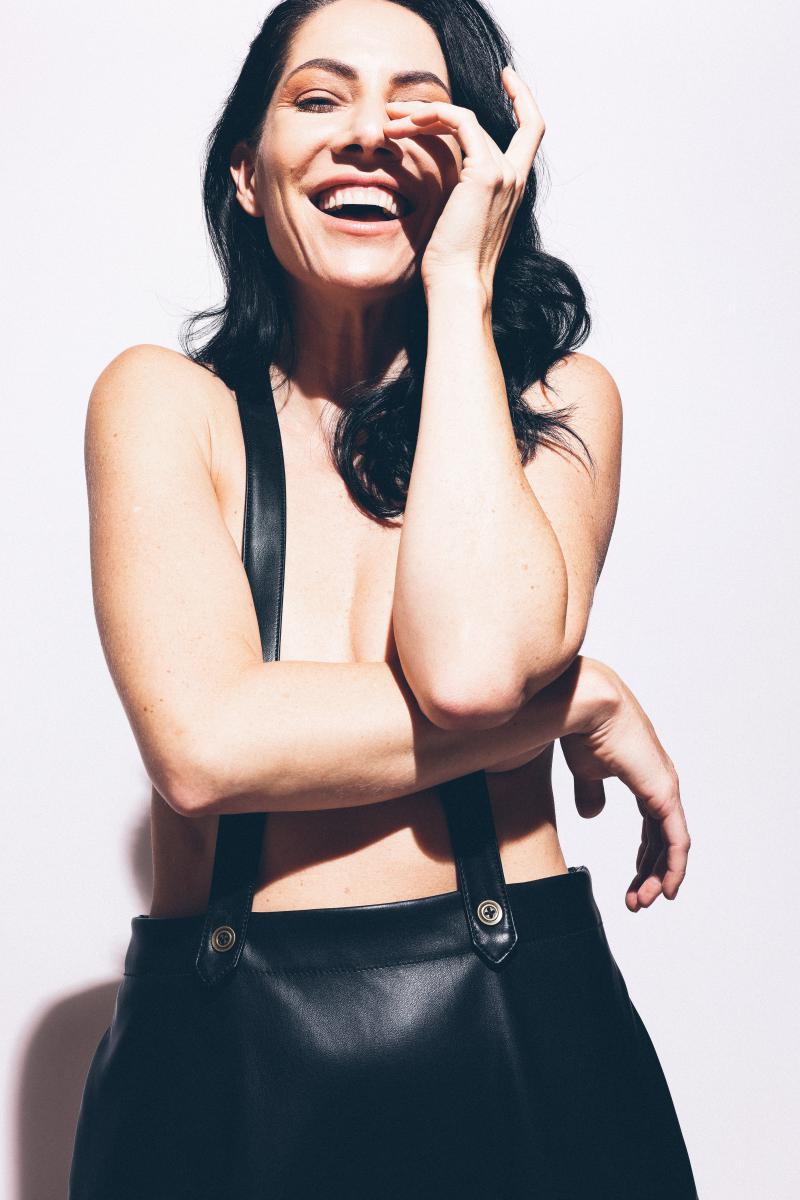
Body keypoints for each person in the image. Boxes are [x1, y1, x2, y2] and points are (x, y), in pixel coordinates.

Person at [68, 1, 697, 1196]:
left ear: (479, 165)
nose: (366, 132)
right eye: (318, 97)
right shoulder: (163, 405)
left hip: (526, 1048)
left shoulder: (559, 406)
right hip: (220, 1075)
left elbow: (470, 670)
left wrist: (458, 284)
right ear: (246, 173)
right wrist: (579, 700)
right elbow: (203, 747)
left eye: (417, 106)